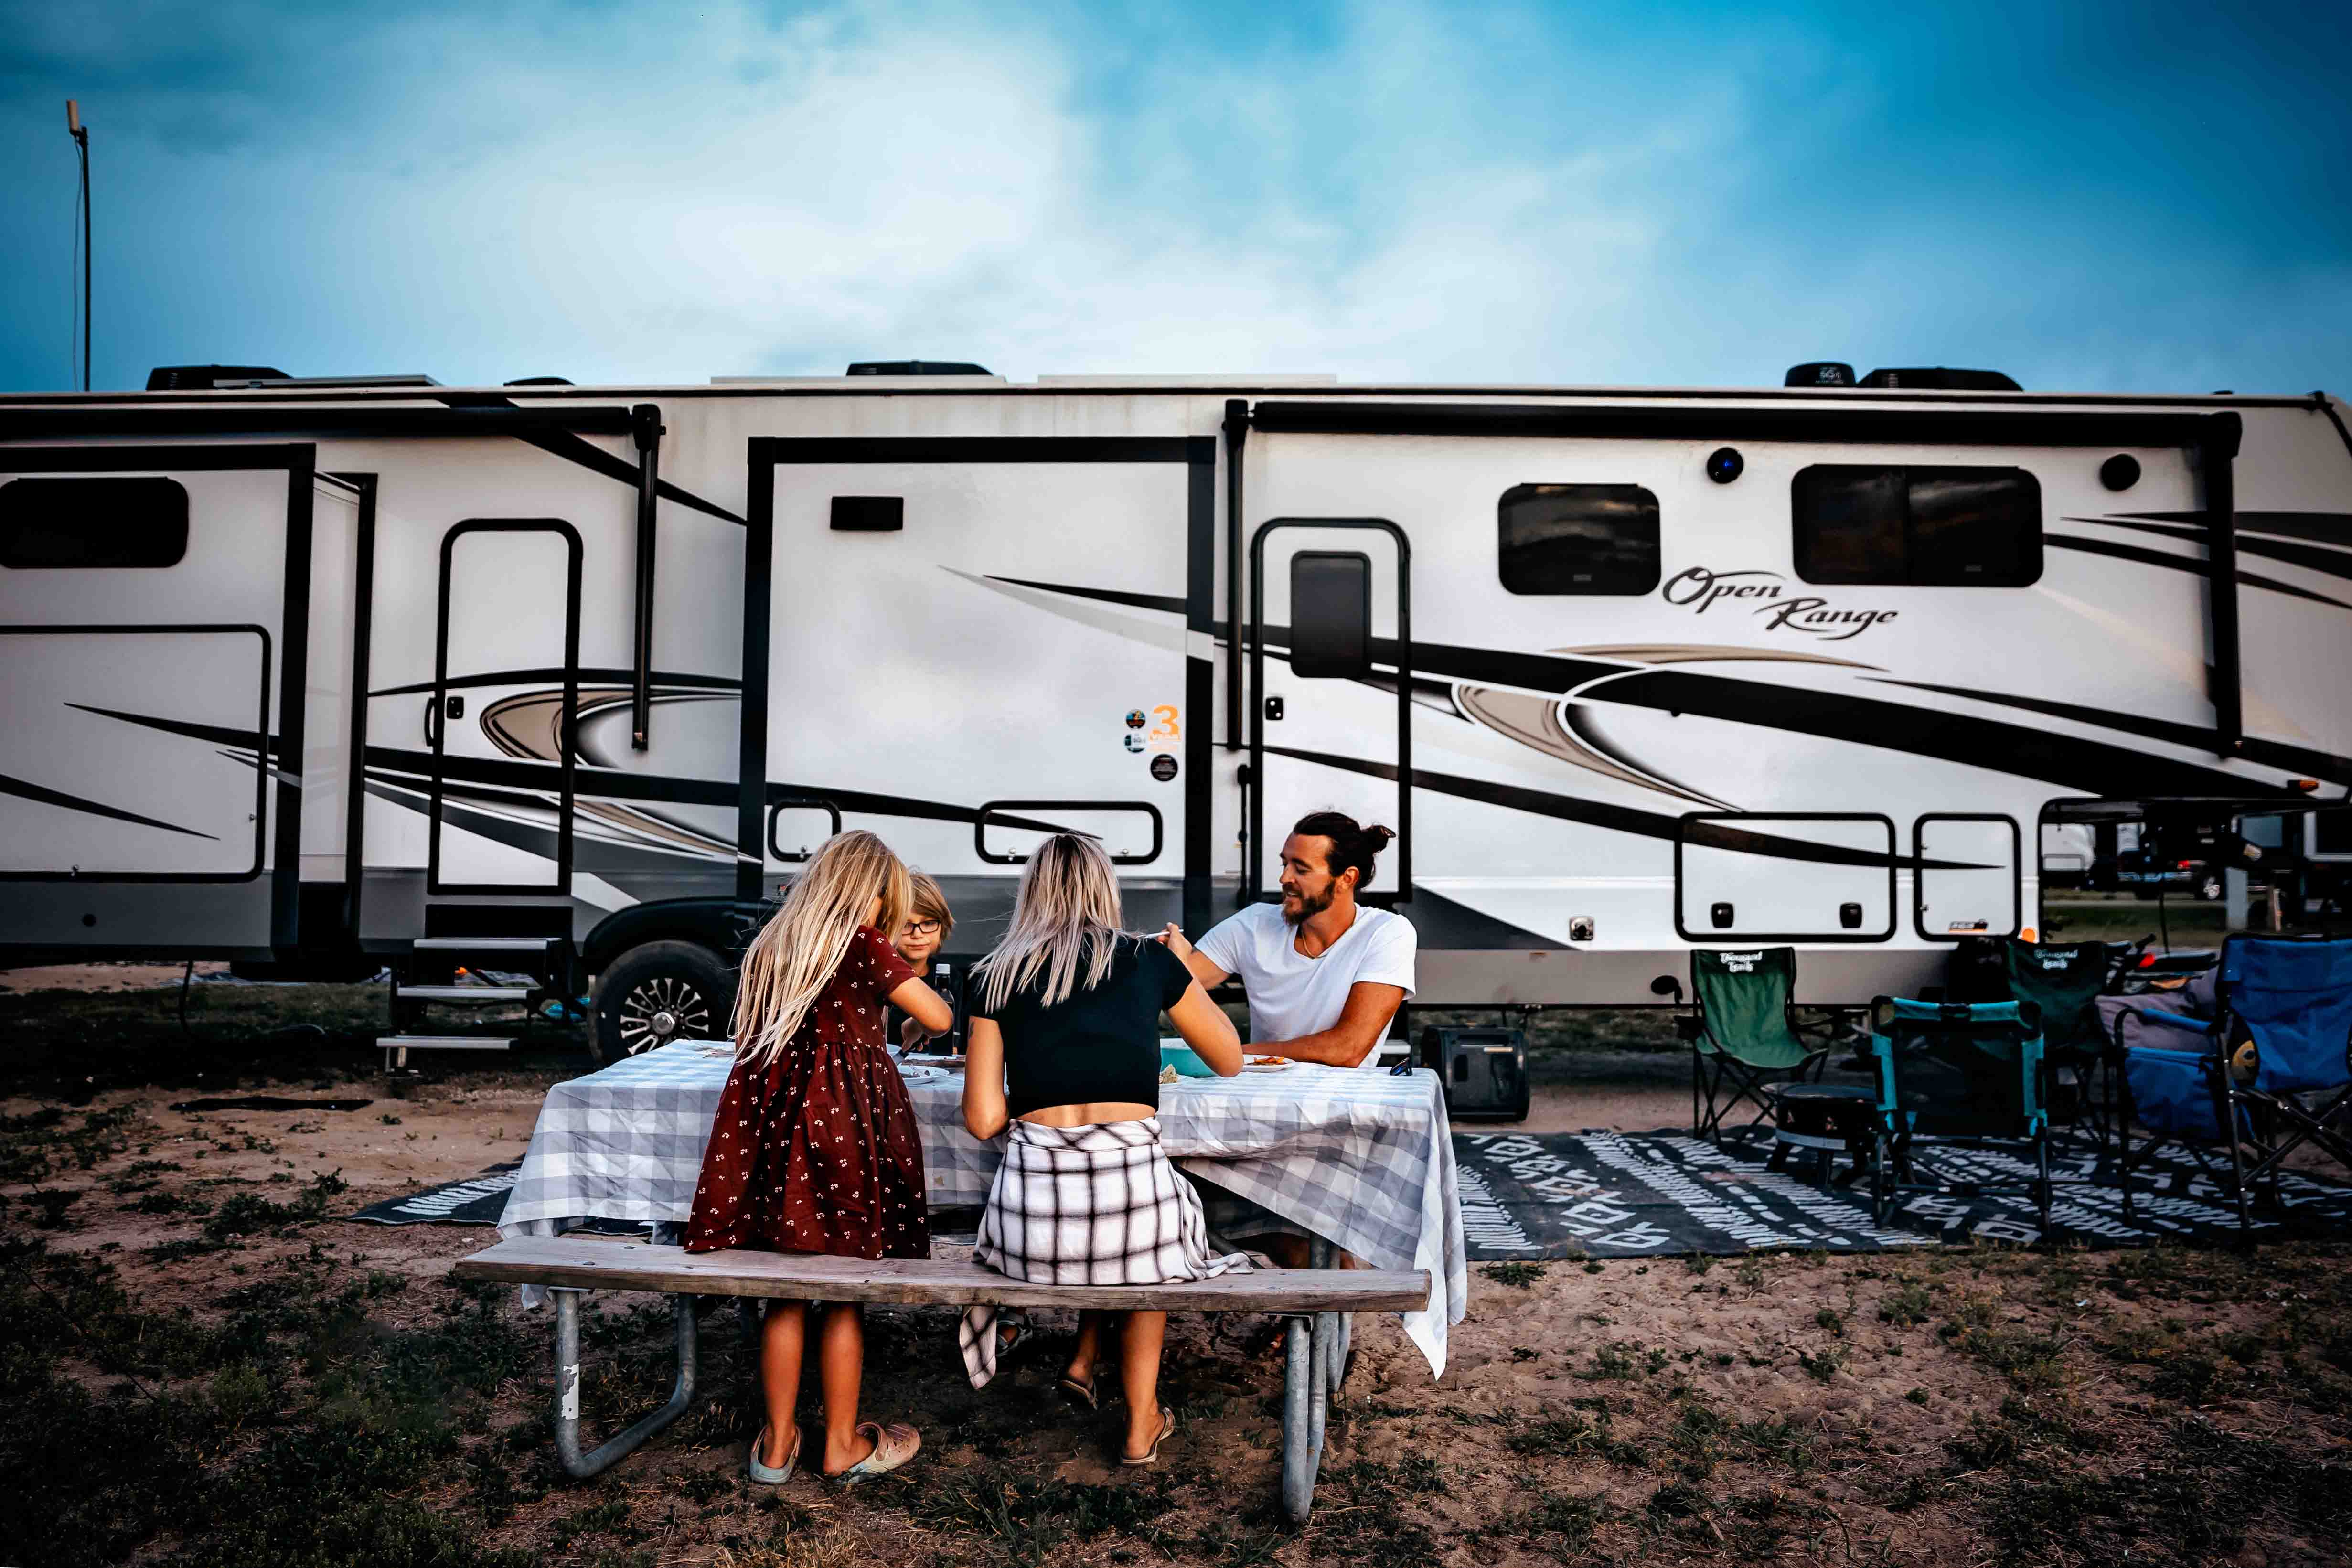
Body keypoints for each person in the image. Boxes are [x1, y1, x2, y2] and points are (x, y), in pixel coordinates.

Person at [959, 833, 1249, 1466]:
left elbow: (983, 1119)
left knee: (1121, 1217)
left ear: (1030, 890)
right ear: (1105, 888)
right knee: (1145, 1226)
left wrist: (1035, 1075)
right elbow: (1228, 1057)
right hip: (1131, 1225)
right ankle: (1142, 1418)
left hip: (1029, 1239)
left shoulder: (993, 973)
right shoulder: (1149, 961)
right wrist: (1178, 962)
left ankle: (1091, 1363)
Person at [683, 830, 954, 1487]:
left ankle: (775, 1446)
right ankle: (840, 1442)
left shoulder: (776, 944)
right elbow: (940, 1017)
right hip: (842, 1126)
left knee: (784, 1288)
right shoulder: (863, 943)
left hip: (771, 1130)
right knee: (839, 1292)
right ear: (871, 894)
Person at [1160, 810, 1417, 1067]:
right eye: (1285, 864)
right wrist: (1174, 962)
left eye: (1301, 870)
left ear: (1346, 879)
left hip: (1344, 1099)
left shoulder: (1386, 933)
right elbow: (1174, 987)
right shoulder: (1253, 924)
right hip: (1261, 1092)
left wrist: (1233, 1053)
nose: (1284, 879)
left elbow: (1347, 1049)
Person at [891, 870, 956, 1052]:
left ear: (942, 926)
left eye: (928, 923)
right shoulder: (878, 977)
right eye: (906, 924)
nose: (917, 934)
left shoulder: (953, 979)